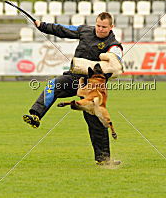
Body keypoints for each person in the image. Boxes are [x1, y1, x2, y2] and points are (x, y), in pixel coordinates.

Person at [23, 12, 123, 165]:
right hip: (74, 77)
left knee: (95, 119)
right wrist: (42, 26)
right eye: (98, 25)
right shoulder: (85, 30)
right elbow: (63, 29)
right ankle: (36, 115)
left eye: (104, 27)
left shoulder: (114, 45)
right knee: (53, 85)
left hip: (92, 85)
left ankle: (104, 159)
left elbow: (114, 64)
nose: (100, 29)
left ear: (111, 27)